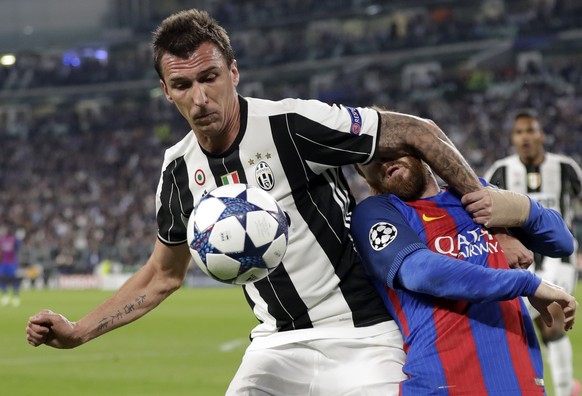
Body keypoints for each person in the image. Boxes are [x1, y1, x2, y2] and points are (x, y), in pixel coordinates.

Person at [26, 9, 515, 395]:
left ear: (233, 72)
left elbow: (419, 132)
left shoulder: (293, 125)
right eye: (183, 85)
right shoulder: (177, 172)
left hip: (362, 336)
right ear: (166, 92)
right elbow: (164, 274)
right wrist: (78, 331)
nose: (200, 97)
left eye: (209, 77)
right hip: (276, 345)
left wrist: (496, 228)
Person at [351, 155, 578, 395]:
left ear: (417, 149)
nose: (384, 161)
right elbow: (421, 271)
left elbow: (561, 242)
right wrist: (527, 283)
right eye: (369, 161)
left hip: (523, 382)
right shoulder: (375, 213)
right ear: (369, 182)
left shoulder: (473, 196)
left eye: (391, 150)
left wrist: (521, 208)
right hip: (444, 386)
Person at [485, 109, 582, 396]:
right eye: (519, 132)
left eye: (530, 131)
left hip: (559, 261)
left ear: (541, 135)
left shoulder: (566, 168)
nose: (525, 137)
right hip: (518, 262)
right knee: (533, 323)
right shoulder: (500, 171)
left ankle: (564, 390)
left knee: (550, 319)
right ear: (512, 139)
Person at [0, 224, 22, 308]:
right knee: (2, 279)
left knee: (13, 279)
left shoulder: (14, 240)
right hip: (2, 263)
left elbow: (17, 249)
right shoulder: (1, 240)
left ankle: (15, 296)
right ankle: (5, 295)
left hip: (12, 262)